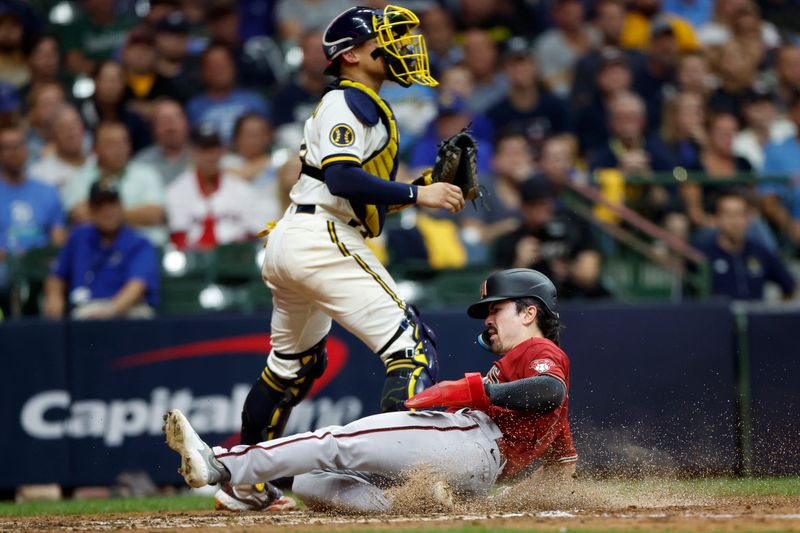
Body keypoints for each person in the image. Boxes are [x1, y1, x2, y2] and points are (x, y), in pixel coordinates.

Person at [213, 5, 465, 512]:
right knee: (412, 348)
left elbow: (358, 192)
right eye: (383, 40)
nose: (397, 47)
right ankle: (401, 482)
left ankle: (242, 481)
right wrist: (420, 198)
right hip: (320, 236)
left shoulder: (361, 103)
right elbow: (342, 179)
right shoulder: (348, 101)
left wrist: (419, 188)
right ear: (349, 54)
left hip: (299, 237)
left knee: (294, 366)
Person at [163, 268, 577, 513]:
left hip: (469, 441)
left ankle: (222, 465)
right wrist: (492, 504)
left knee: (334, 441)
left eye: (497, 309)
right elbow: (563, 467)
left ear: (529, 312)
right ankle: (414, 503)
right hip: (470, 473)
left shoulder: (539, 350)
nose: (487, 319)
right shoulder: (527, 369)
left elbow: (548, 390)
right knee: (310, 483)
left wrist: (473, 392)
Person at [43, 180, 160, 319]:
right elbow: (56, 275)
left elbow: (137, 286)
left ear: (121, 207)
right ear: (91, 211)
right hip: (86, 309)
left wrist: (109, 310)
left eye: (112, 205)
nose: (107, 211)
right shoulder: (79, 237)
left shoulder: (138, 242)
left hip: (127, 311)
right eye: (100, 206)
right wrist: (54, 296)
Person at [64, 121, 166, 246]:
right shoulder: (78, 179)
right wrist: (136, 215)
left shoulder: (147, 174)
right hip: (97, 251)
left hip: (146, 248)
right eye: (111, 144)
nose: (119, 149)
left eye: (124, 142)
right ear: (95, 149)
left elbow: (154, 215)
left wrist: (106, 216)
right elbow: (81, 215)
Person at [166, 125, 269, 249]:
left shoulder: (242, 189)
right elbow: (177, 236)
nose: (210, 156)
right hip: (193, 260)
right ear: (192, 152)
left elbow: (256, 233)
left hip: (235, 257)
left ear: (222, 151)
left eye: (214, 149)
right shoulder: (177, 190)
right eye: (203, 150)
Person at [0, 123, 66, 315]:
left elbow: (58, 237)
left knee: (60, 272)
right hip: (5, 262)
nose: (13, 152)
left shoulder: (47, 191)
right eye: (6, 147)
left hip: (41, 261)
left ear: (27, 149)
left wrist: (43, 257)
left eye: (18, 146)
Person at [694, 189, 795, 300]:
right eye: (728, 215)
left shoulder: (760, 252)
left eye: (740, 214)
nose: (735, 222)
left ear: (748, 218)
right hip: (718, 316)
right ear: (717, 219)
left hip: (755, 315)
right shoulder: (703, 255)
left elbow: (789, 285)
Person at [132, 99, 191, 186]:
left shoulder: (203, 156)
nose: (171, 127)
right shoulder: (141, 163)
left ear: (186, 124)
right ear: (153, 128)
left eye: (175, 119)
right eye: (164, 121)